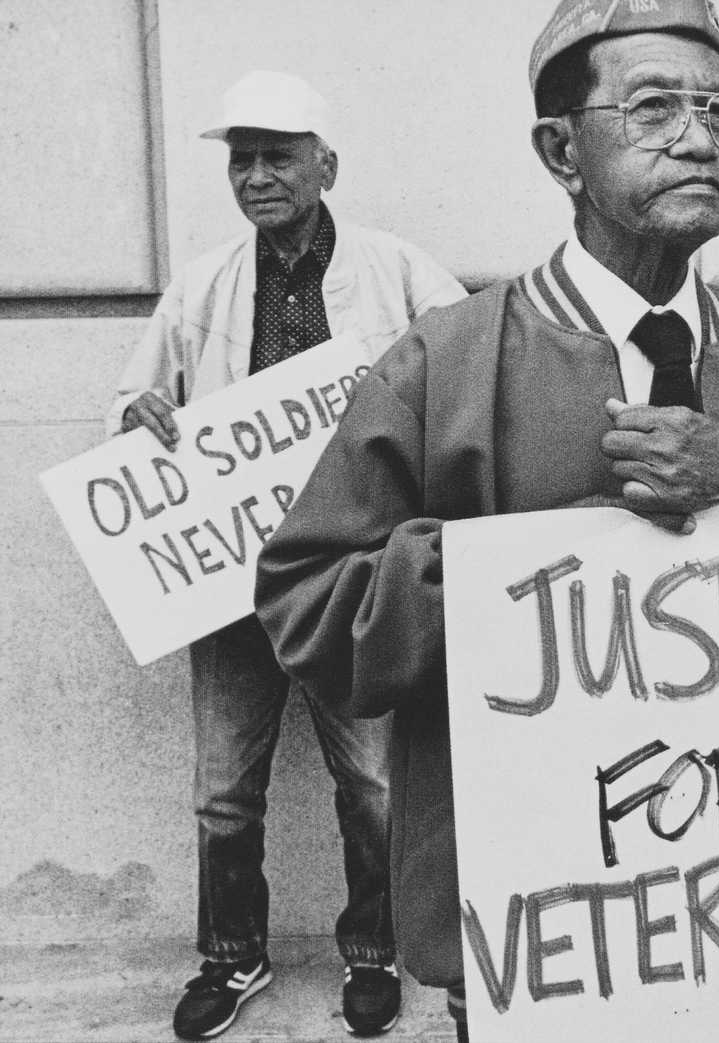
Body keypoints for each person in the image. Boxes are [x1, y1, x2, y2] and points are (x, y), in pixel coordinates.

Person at [253, 3, 719, 1040]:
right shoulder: (447, 362)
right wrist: (541, 567)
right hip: (533, 941)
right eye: (654, 105)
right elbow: (306, 607)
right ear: (560, 150)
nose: (700, 137)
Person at [110, 70, 465, 1040]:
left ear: (325, 165)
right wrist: (138, 418)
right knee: (224, 787)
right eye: (242, 158)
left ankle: (373, 952)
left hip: (348, 578)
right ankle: (232, 956)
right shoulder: (202, 284)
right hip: (233, 587)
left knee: (377, 784)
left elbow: (467, 370)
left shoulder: (397, 270)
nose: (258, 174)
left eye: (277, 155)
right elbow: (136, 404)